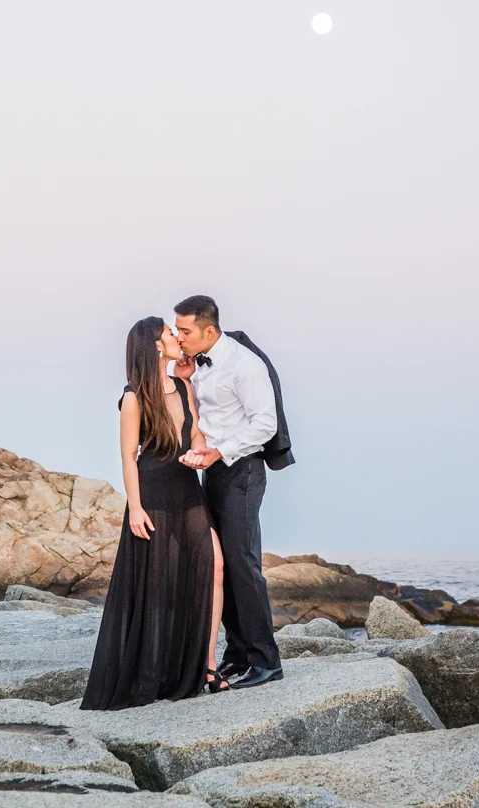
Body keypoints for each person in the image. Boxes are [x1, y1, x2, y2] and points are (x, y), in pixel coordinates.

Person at [81, 317, 230, 710]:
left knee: (212, 565)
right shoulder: (133, 397)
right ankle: (152, 670)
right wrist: (134, 507)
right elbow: (129, 456)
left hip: (187, 488)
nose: (176, 337)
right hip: (152, 494)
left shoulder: (183, 386)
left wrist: (198, 451)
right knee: (158, 581)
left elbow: (196, 431)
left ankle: (208, 665)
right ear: (154, 346)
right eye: (169, 333)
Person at [174, 295, 284, 689]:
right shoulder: (197, 365)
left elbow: (265, 424)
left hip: (243, 471)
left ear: (208, 330)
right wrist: (185, 379)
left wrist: (220, 451)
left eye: (184, 330)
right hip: (212, 472)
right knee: (218, 566)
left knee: (242, 562)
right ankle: (238, 654)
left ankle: (266, 661)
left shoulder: (244, 364)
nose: (178, 337)